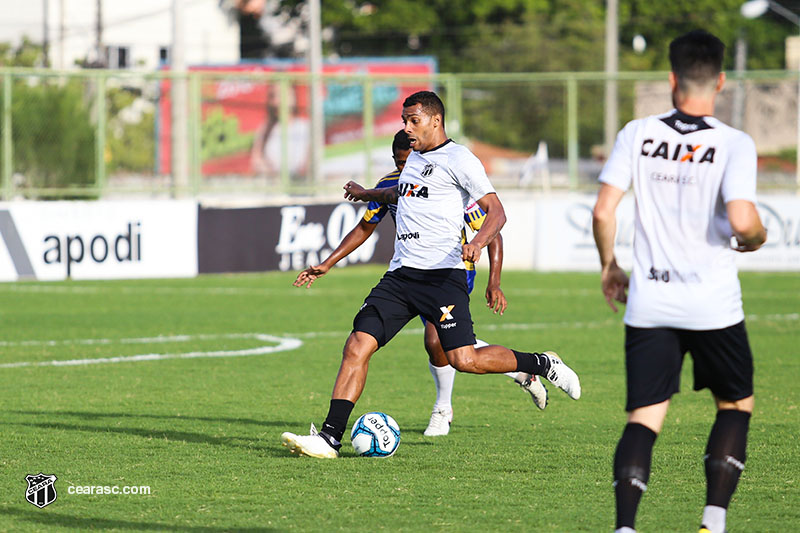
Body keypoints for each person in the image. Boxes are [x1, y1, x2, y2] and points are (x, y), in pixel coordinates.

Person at [282, 90, 580, 459]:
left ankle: (541, 364)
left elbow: (497, 212)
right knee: (357, 344)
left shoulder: (459, 159)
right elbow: (402, 196)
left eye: (414, 121)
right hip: (401, 277)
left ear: (435, 121)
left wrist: (478, 243)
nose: (406, 128)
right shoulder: (411, 160)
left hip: (443, 277)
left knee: (463, 360)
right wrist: (363, 199)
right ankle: (329, 438)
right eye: (404, 121)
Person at [591, 30, 767, 533]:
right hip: (713, 303)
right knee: (735, 404)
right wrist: (758, 236)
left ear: (671, 79)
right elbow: (742, 220)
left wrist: (610, 265)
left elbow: (604, 210)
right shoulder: (733, 143)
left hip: (650, 301)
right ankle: (713, 520)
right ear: (721, 81)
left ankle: (625, 527)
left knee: (644, 418)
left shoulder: (637, 133)